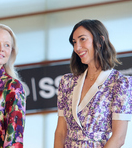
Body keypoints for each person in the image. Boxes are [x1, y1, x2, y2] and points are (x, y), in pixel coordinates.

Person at [54, 19, 132, 148]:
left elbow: (119, 138)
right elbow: (61, 132)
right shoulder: (67, 82)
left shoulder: (120, 83)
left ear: (100, 41)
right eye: (74, 42)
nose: (77, 47)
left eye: (82, 39)